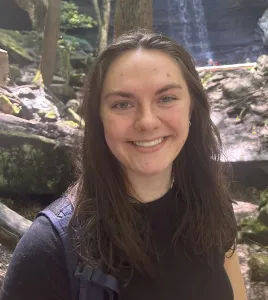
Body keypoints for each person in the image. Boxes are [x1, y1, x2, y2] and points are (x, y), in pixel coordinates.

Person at [0, 30, 247, 300]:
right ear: (99, 118)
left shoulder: (211, 199)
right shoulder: (48, 250)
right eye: (122, 104)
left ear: (192, 108)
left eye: (166, 98)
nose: (147, 121)